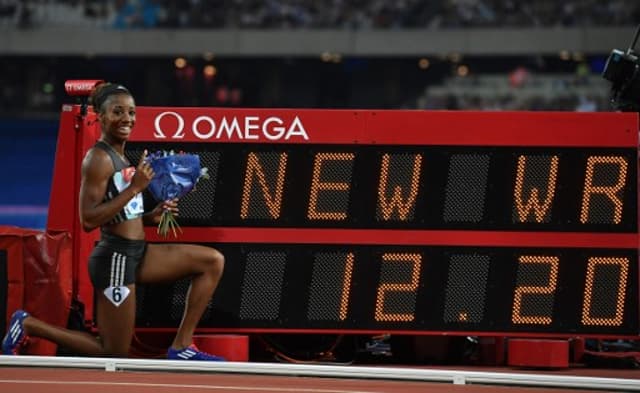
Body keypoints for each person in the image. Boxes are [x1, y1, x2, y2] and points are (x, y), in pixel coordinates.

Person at [2, 82, 226, 361]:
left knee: (212, 261)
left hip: (137, 252)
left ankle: (181, 347)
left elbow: (120, 214)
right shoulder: (98, 158)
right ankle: (28, 324)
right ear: (101, 117)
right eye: (118, 111)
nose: (127, 119)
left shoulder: (120, 156)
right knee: (113, 350)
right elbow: (88, 219)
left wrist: (148, 217)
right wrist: (136, 188)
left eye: (131, 112)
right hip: (115, 258)